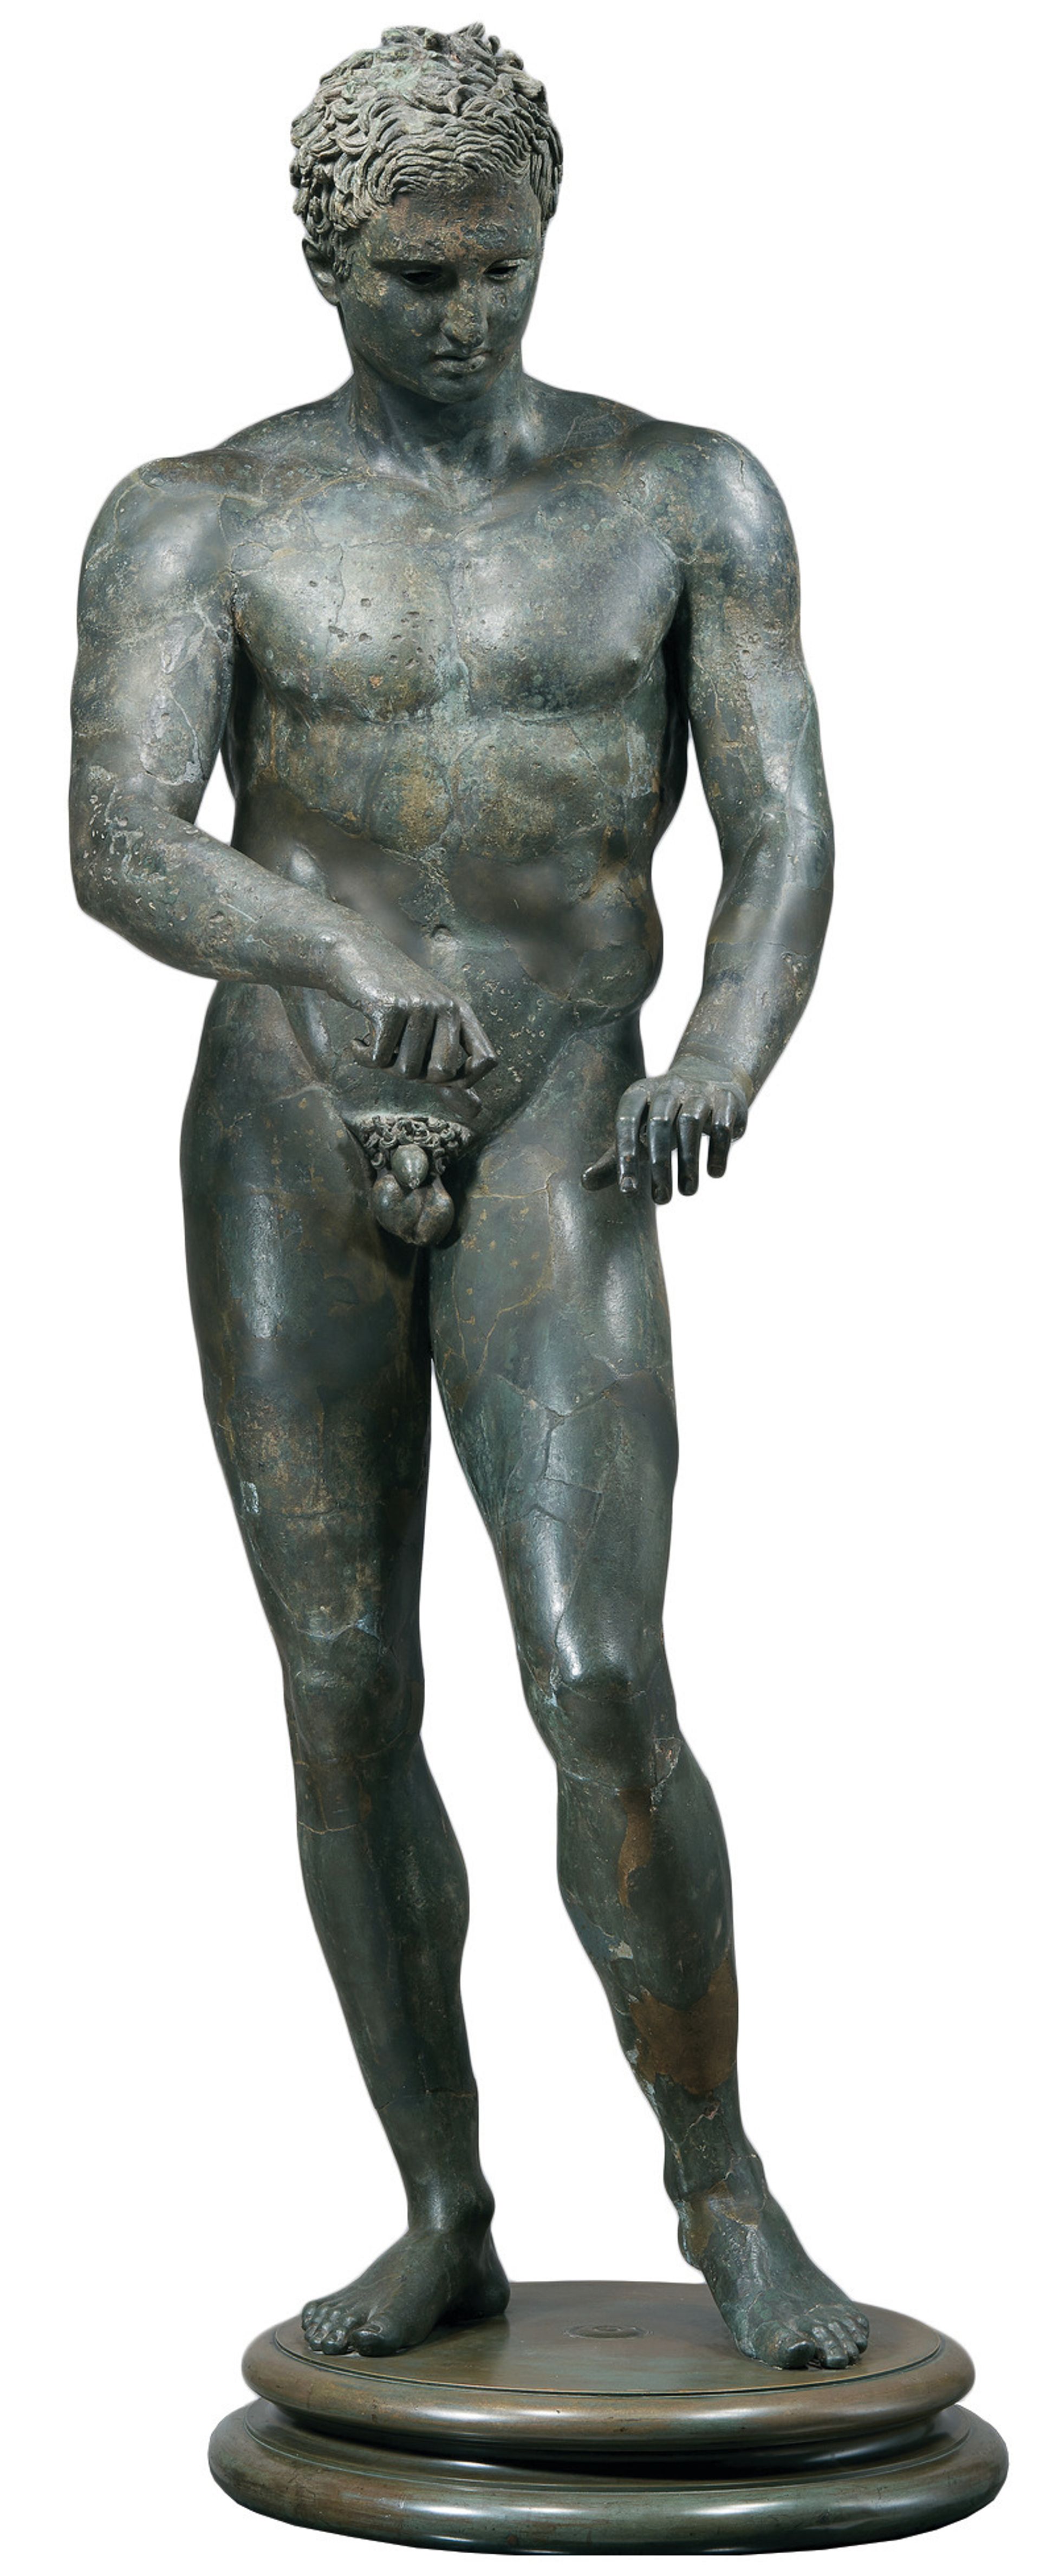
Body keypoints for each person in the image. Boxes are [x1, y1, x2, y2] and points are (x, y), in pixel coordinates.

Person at [70, 22, 867, 2372]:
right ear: (329, 260)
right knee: (342, 1685)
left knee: (598, 1669)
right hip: (295, 1116)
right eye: (418, 275)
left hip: (560, 1106)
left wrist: (721, 1054)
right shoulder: (197, 512)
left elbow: (786, 824)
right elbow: (121, 836)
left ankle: (721, 2181)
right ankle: (440, 2204)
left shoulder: (683, 495)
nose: (466, 313)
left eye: (500, 265)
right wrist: (337, 950)